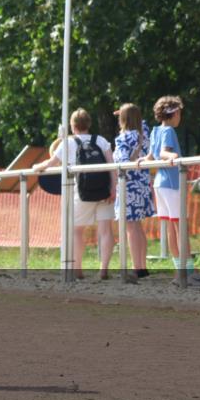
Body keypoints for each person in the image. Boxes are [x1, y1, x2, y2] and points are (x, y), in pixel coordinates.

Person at [138, 96, 200, 286]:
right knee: (181, 228)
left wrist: (143, 160)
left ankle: (181, 272)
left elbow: (151, 155)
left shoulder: (155, 130)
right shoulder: (169, 130)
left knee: (172, 228)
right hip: (171, 183)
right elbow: (163, 153)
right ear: (175, 113)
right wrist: (173, 155)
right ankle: (188, 273)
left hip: (160, 184)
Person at [33, 109, 116, 279]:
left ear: (72, 126)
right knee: (106, 231)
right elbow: (112, 166)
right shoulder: (101, 141)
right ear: (89, 124)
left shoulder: (68, 143)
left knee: (77, 230)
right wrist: (113, 189)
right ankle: (103, 270)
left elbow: (50, 163)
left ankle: (77, 268)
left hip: (82, 191)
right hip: (104, 191)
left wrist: (36, 167)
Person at [112, 103, 155, 279]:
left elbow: (122, 161)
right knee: (138, 227)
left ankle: (136, 267)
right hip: (143, 183)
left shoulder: (124, 138)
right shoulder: (144, 133)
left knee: (131, 227)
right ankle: (142, 266)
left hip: (128, 184)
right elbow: (141, 123)